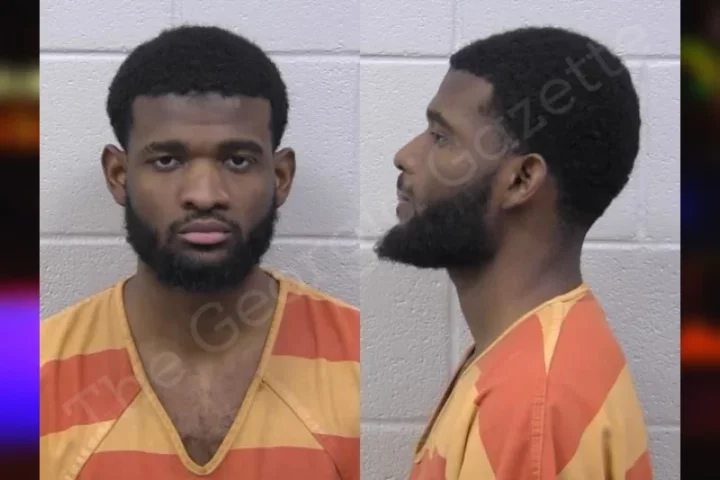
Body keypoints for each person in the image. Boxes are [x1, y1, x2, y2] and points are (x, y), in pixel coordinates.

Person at [40, 25, 359, 480]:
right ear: (118, 175)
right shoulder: (26, 376)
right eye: (167, 160)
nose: (205, 195)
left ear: (280, 177)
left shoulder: (357, 359)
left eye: (238, 160)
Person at [375, 26, 653, 479]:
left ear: (521, 181)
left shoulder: (532, 407)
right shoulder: (530, 357)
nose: (405, 155)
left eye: (441, 137)